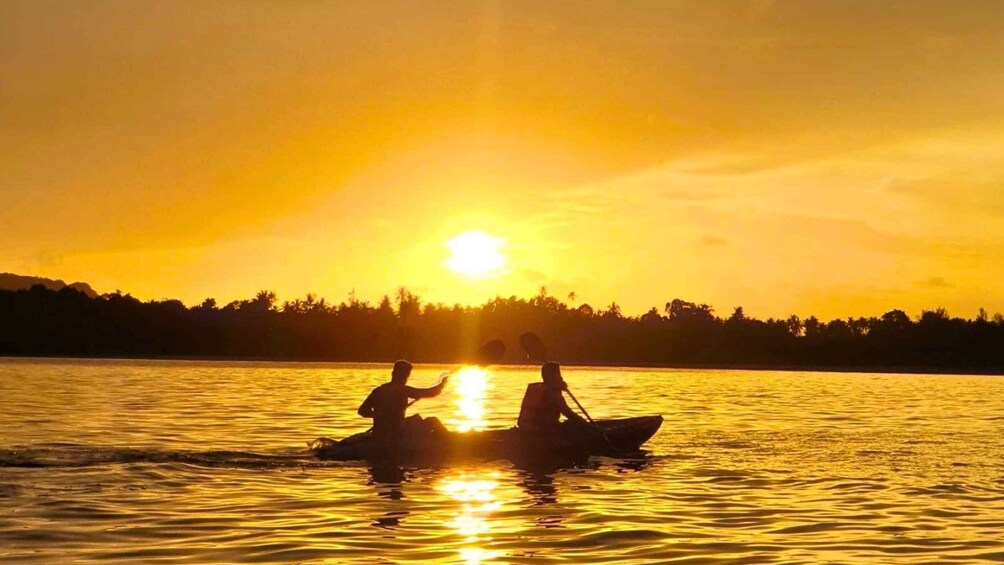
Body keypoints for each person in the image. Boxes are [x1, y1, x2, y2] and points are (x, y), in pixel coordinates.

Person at [358, 360, 448, 440]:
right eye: (405, 375)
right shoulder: (403, 390)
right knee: (432, 421)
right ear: (398, 374)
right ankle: (449, 441)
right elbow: (432, 393)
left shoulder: (378, 390)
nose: (406, 378)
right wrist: (442, 384)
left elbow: (362, 411)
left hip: (379, 433)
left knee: (415, 419)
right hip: (397, 434)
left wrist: (379, 416)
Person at [517, 362, 587, 433]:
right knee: (575, 424)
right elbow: (568, 414)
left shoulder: (536, 388)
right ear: (554, 376)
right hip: (543, 431)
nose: (561, 377)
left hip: (526, 427)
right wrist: (584, 423)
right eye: (558, 374)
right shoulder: (552, 393)